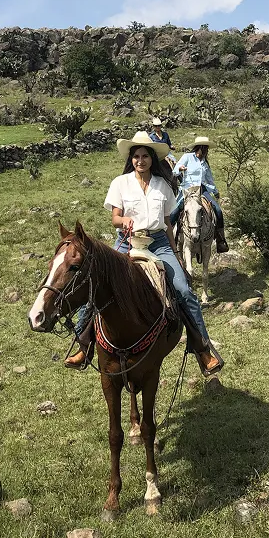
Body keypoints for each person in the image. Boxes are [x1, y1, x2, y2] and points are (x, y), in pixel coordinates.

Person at [64, 131, 223, 377]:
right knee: (96, 283)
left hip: (158, 242)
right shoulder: (120, 182)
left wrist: (175, 253)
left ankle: (203, 349)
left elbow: (169, 224)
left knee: (182, 289)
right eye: (136, 156)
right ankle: (83, 346)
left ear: (152, 159)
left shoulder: (164, 186)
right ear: (132, 159)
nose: (140, 160)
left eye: (145, 156)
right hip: (127, 241)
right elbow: (115, 217)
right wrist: (124, 219)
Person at [171, 136, 229, 254]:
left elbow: (209, 180)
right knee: (175, 211)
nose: (206, 151)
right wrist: (180, 168)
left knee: (218, 210)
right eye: (205, 149)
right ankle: (168, 237)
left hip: (202, 189)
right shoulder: (187, 157)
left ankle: (221, 239)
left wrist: (215, 191)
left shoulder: (205, 164)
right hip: (188, 189)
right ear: (200, 148)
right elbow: (176, 169)